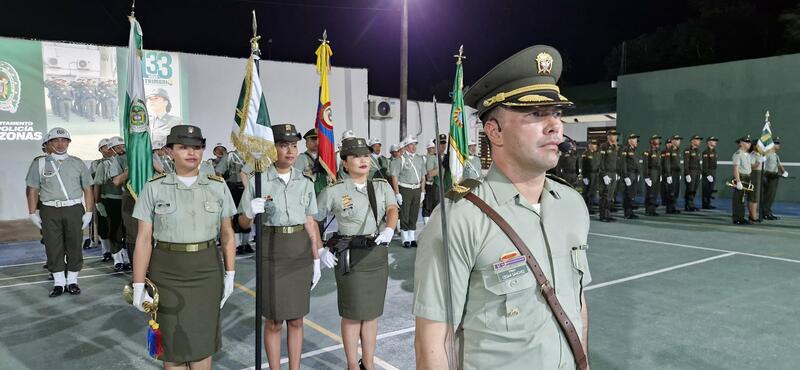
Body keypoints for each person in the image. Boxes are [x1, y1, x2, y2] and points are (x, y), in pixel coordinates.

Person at [414, 45, 590, 370]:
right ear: (494, 131)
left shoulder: (572, 206)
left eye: (557, 113)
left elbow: (576, 304)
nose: (555, 126)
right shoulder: (460, 218)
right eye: (536, 114)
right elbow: (433, 343)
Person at [131, 125, 237, 370]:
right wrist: (138, 284)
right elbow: (144, 239)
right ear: (170, 151)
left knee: (202, 345)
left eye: (197, 147)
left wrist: (230, 273)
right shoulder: (154, 187)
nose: (192, 152)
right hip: (167, 272)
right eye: (184, 147)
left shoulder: (217, 186)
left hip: (206, 270)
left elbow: (228, 234)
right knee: (173, 347)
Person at [238, 123, 323, 370]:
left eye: (293, 145)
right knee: (274, 320)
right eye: (283, 145)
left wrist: (316, 257)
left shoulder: (305, 181)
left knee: (297, 319)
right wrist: (250, 211)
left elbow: (310, 220)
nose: (290, 151)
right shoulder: (259, 180)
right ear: (271, 148)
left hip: (299, 249)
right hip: (272, 249)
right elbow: (243, 223)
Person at [316, 137, 399, 370]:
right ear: (344, 163)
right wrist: (320, 248)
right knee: (352, 315)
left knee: (371, 314)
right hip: (350, 258)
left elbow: (392, 208)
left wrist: (390, 228)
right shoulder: (334, 190)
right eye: (355, 156)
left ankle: (368, 363)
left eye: (365, 155)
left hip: (375, 255)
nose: (362, 160)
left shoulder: (381, 186)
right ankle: (353, 365)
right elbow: (312, 217)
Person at [25, 128, 94, 297]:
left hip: (74, 209)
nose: (60, 144)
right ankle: (59, 283)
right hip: (49, 209)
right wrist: (32, 212)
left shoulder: (78, 163)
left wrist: (89, 211)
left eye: (64, 140)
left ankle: (72, 281)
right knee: (52, 245)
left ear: (69, 143)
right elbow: (33, 189)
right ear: (48, 143)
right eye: (56, 141)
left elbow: (88, 188)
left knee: (74, 244)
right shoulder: (39, 163)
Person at [93, 137, 128, 270]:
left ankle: (127, 258)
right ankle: (118, 259)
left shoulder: (130, 160)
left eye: (122, 146)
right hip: (113, 200)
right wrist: (98, 203)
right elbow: (97, 184)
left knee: (127, 231)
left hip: (128, 199)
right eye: (117, 147)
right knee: (115, 230)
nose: (121, 149)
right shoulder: (104, 165)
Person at [390, 136, 425, 248]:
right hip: (405, 188)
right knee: (405, 213)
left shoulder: (420, 159)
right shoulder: (400, 159)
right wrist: (397, 193)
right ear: (405, 147)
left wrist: (423, 191)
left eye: (415, 144)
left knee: (414, 213)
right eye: (411, 144)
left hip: (417, 188)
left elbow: (423, 176)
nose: (414, 146)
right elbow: (394, 176)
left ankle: (412, 237)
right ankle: (405, 238)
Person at [215, 147, 252, 254]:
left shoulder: (252, 155)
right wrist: (222, 186)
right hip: (234, 188)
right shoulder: (230, 156)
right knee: (235, 215)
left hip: (248, 187)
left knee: (248, 214)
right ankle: (238, 244)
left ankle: (245, 243)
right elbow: (219, 171)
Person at [761, 137, 788, 220]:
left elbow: (779, 165)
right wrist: (763, 176)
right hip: (768, 176)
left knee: (771, 196)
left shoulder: (775, 155)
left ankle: (768, 212)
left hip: (774, 176)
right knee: (767, 196)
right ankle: (765, 213)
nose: (778, 145)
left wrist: (784, 172)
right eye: (776, 143)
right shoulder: (767, 154)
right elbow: (763, 166)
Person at [422, 135, 447, 224]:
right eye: (440, 143)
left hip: (447, 187)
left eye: (444, 143)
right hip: (435, 187)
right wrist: (441, 167)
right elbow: (429, 174)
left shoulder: (449, 157)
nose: (443, 145)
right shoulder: (432, 157)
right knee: (432, 209)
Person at [598, 129, 620, 222]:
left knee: (610, 195)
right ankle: (603, 216)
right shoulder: (604, 146)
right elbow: (601, 161)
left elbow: (616, 162)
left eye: (616, 135)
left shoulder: (615, 147)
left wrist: (617, 173)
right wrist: (604, 175)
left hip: (613, 173)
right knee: (605, 195)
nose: (615, 137)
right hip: (606, 173)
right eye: (613, 135)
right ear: (608, 136)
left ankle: (608, 214)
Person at [732, 135, 753, 224]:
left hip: (747, 177)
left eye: (749, 142)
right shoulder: (738, 154)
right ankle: (737, 218)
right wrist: (738, 181)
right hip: (741, 177)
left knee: (742, 199)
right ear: (741, 143)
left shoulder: (748, 155)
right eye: (747, 142)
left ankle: (741, 217)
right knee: (738, 199)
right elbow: (735, 168)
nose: (749, 144)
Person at [620, 133, 640, 219]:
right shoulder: (625, 149)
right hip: (629, 174)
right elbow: (623, 163)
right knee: (628, 194)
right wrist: (625, 176)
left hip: (634, 174)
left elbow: (636, 163)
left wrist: (638, 173)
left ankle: (631, 212)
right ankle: (627, 213)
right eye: (634, 139)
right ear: (629, 140)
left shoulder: (634, 150)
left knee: (632, 194)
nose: (636, 141)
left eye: (636, 139)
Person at [661, 135, 682, 214]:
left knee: (676, 191)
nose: (678, 141)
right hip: (672, 173)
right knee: (671, 191)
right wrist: (669, 175)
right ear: (672, 141)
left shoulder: (678, 151)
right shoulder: (669, 151)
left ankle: (673, 207)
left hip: (677, 173)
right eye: (676, 140)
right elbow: (667, 163)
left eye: (679, 140)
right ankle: (669, 208)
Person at [642, 135, 662, 216]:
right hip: (651, 172)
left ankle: (652, 209)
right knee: (650, 192)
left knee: (655, 192)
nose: (657, 140)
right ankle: (648, 210)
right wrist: (646, 177)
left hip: (657, 173)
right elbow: (645, 165)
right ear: (651, 141)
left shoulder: (658, 151)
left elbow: (660, 164)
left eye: (658, 139)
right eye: (656, 139)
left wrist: (660, 174)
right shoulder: (647, 151)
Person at [580, 138, 601, 213]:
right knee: (587, 192)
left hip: (595, 175)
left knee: (593, 192)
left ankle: (590, 207)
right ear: (589, 145)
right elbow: (582, 166)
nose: (595, 146)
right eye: (593, 144)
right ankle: (585, 208)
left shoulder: (597, 154)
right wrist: (584, 177)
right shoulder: (585, 154)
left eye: (596, 144)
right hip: (588, 174)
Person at [683, 135, 703, 211]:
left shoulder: (698, 150)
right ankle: (688, 205)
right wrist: (687, 174)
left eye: (699, 140)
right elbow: (686, 163)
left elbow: (698, 163)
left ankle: (691, 204)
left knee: (694, 189)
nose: (699, 141)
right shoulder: (687, 150)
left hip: (697, 172)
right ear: (692, 141)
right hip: (691, 172)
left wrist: (700, 172)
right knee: (690, 189)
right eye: (697, 140)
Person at [748, 144, 765, 222]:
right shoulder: (752, 154)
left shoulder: (759, 154)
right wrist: (759, 162)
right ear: (754, 146)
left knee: (756, 196)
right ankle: (753, 216)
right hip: (755, 174)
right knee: (754, 196)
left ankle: (753, 214)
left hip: (759, 174)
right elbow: (751, 166)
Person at [701, 136, 719, 209]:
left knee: (710, 189)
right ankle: (705, 204)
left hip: (713, 172)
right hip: (707, 173)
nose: (715, 142)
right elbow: (705, 165)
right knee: (706, 189)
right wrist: (708, 174)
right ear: (709, 142)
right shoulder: (706, 152)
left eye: (715, 140)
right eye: (713, 140)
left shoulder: (714, 151)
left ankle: (708, 203)